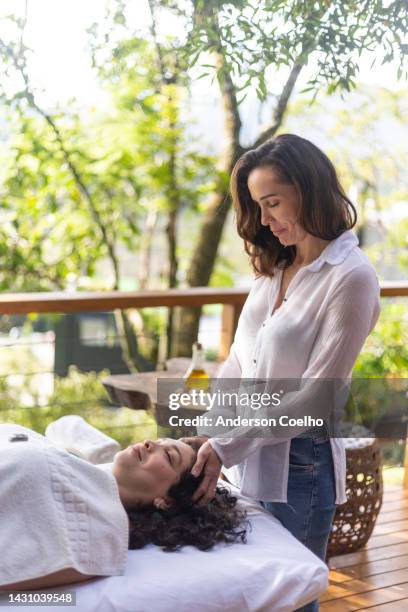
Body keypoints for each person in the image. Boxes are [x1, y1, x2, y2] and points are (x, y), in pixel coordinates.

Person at [182, 134, 381, 612]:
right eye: (258, 206)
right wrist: (207, 435)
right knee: (251, 591)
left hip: (300, 467)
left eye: (273, 203)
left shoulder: (350, 278)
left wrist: (226, 443)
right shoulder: (275, 268)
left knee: (289, 599)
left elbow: (315, 400)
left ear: (310, 190)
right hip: (242, 450)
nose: (266, 220)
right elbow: (237, 361)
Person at [0, 423, 247, 591]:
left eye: (168, 456)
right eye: (159, 440)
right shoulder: (88, 468)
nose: (150, 442)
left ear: (167, 501)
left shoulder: (100, 531)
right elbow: (66, 425)